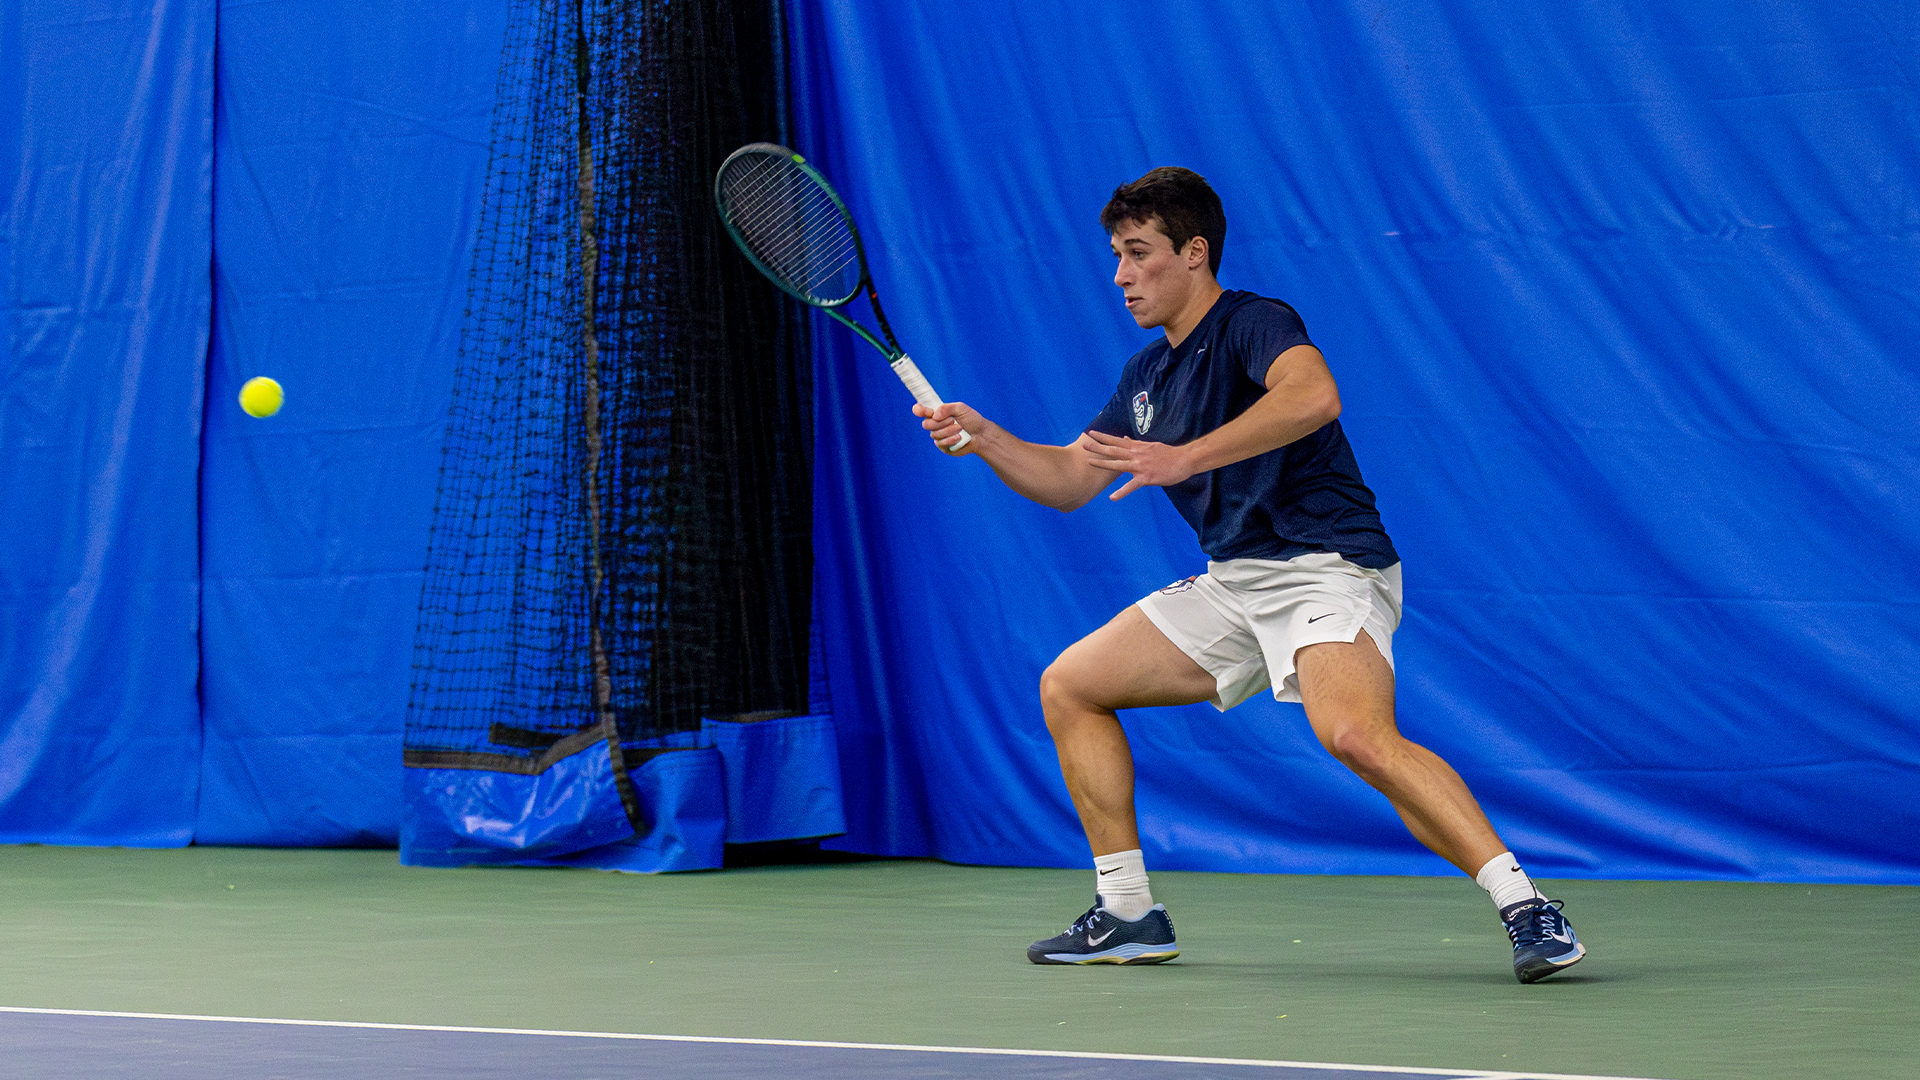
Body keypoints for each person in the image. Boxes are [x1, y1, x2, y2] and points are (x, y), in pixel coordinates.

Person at [913, 167, 1584, 984]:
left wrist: (1184, 457)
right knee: (1071, 685)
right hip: (1236, 579)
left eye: (1137, 254)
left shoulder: (1254, 323)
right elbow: (1066, 481)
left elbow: (1315, 396)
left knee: (1355, 737)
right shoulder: (1145, 378)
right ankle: (1127, 912)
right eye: (1116, 256)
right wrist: (984, 437)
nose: (1120, 276)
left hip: (1325, 565)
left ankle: (1528, 909)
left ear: (1194, 253)